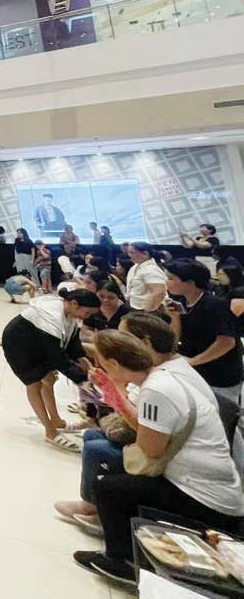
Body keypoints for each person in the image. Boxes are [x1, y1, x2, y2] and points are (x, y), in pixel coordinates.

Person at [74, 329, 244, 586]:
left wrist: (115, 391)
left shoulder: (156, 392)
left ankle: (122, 562)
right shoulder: (164, 375)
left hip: (205, 498)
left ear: (113, 364)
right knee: (112, 466)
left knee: (108, 486)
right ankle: (121, 534)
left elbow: (149, 450)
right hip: (207, 483)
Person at [0, 289, 101, 450]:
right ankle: (50, 431)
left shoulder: (69, 313)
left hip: (38, 344)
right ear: (74, 304)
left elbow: (73, 345)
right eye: (87, 312)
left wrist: (84, 363)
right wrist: (82, 380)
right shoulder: (51, 317)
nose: (87, 316)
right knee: (34, 384)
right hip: (19, 345)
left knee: (49, 379)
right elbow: (57, 358)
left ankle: (56, 420)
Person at [166, 259, 244, 411]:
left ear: (190, 282)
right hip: (197, 369)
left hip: (220, 372)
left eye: (171, 278)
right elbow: (177, 337)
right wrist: (174, 317)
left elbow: (227, 342)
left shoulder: (214, 305)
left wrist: (194, 361)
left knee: (223, 416)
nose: (166, 282)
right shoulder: (181, 302)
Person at [123, 241, 166, 311]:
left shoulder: (151, 270)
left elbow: (159, 292)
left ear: (145, 254)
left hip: (146, 311)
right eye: (128, 252)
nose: (129, 255)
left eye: (132, 252)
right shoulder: (136, 266)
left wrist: (147, 312)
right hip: (135, 307)